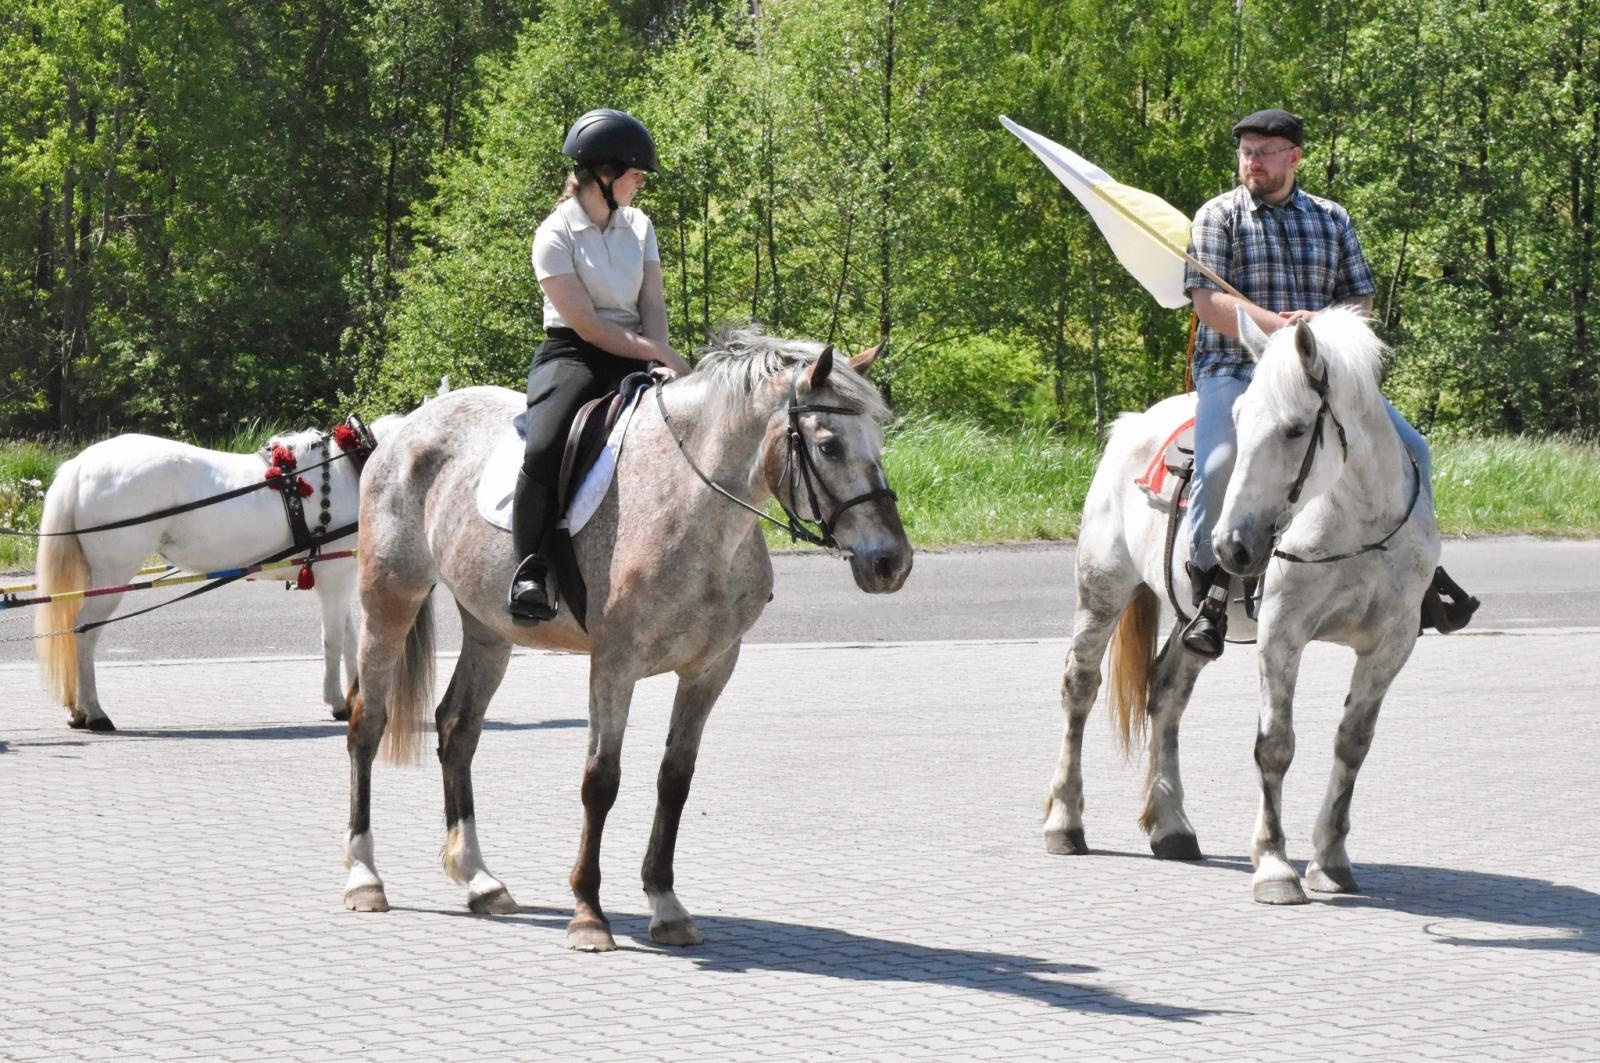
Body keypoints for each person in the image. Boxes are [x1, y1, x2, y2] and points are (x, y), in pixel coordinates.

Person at [1179, 107, 1478, 658]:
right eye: (1246, 151)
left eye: (1265, 152)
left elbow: (1359, 295)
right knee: (1220, 464)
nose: (1253, 162)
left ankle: (1424, 576)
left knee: (1414, 449)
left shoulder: (1331, 218)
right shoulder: (1216, 217)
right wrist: (1285, 329)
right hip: (1236, 367)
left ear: (1293, 157)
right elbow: (1210, 303)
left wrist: (1326, 333)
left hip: (1321, 376)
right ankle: (1211, 596)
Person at [508, 108, 693, 620]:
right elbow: (588, 325)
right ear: (605, 175)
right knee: (546, 445)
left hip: (638, 350)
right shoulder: (555, 234)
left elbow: (652, 304)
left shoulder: (639, 225)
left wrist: (660, 357)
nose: (640, 183)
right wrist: (656, 352)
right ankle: (531, 567)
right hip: (574, 353)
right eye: (635, 173)